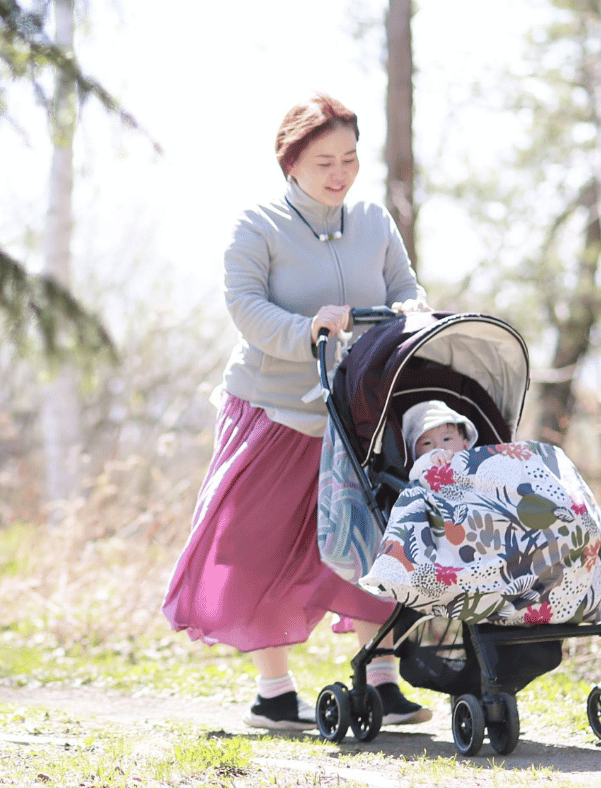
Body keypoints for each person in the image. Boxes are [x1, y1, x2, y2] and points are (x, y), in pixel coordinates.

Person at [162, 93, 433, 731]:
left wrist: (410, 313)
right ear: (290, 164)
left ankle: (382, 677)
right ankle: (275, 693)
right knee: (258, 545)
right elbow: (247, 308)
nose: (339, 175)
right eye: (323, 163)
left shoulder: (373, 220)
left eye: (349, 159)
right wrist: (308, 330)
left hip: (360, 409)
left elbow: (406, 287)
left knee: (371, 536)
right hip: (275, 409)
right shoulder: (257, 226)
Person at [402, 400, 479, 483]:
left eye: (447, 439)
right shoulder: (421, 468)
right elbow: (414, 473)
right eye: (427, 443)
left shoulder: (473, 464)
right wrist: (430, 458)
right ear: (415, 453)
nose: (439, 447)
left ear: (465, 446)